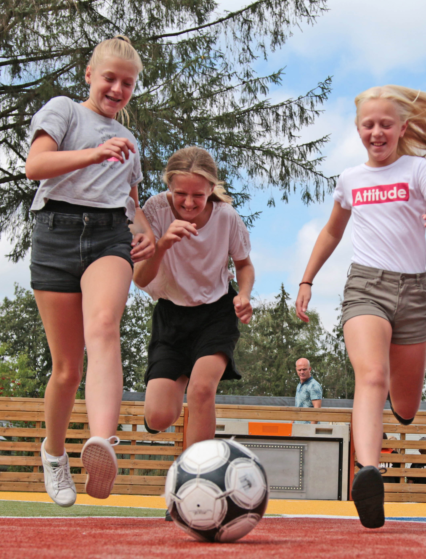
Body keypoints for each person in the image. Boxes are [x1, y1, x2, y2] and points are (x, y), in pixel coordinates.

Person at [295, 85, 426, 528]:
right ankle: (368, 472)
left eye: (385, 124)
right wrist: (307, 279)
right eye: (368, 125)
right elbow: (332, 233)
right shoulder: (350, 179)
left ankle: (398, 410)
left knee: (406, 406)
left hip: (413, 294)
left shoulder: (417, 170)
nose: (377, 132)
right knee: (371, 374)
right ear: (358, 129)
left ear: (402, 128)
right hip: (365, 287)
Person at [24, 36, 156, 506]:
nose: (118, 88)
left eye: (128, 82)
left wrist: (143, 230)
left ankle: (102, 443)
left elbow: (130, 201)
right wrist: (94, 153)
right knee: (66, 369)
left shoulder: (131, 143)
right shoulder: (64, 110)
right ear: (89, 75)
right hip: (55, 231)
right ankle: (54, 454)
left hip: (107, 236)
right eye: (110, 78)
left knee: (104, 326)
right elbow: (35, 166)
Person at [133, 147, 254, 449]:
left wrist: (245, 295)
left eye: (198, 195)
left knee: (202, 391)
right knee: (160, 417)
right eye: (180, 194)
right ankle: (180, 374)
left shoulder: (227, 218)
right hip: (171, 315)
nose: (188, 202)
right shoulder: (155, 211)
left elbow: (244, 265)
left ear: (211, 189)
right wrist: (161, 244)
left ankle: (197, 474)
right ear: (169, 187)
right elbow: (140, 279)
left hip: (216, 312)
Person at [295, 358, 323, 423]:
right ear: (296, 370)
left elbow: (317, 411)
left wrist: (311, 430)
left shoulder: (314, 385)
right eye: (299, 370)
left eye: (304, 369)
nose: (302, 372)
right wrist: (292, 421)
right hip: (298, 428)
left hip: (308, 429)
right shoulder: (299, 385)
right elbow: (297, 406)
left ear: (309, 369)